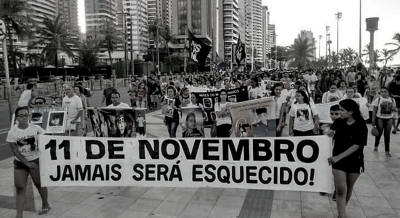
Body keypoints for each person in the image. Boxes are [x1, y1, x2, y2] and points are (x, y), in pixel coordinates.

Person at [6, 107, 50, 217]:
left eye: (26, 114)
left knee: (40, 184)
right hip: (21, 163)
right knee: (20, 188)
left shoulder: (36, 128)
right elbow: (15, 150)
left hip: (36, 161)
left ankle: (45, 204)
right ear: (16, 118)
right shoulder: (12, 133)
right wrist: (27, 163)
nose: (25, 117)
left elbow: (47, 140)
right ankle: (19, 215)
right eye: (21, 115)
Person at [327, 99, 368, 218]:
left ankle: (342, 211)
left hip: (355, 160)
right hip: (337, 160)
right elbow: (331, 131)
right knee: (341, 189)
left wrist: (339, 157)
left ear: (350, 112)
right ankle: (342, 215)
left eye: (342, 110)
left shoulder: (361, 126)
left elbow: (357, 145)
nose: (340, 112)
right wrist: (329, 133)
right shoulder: (339, 122)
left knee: (349, 188)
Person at [372, 87, 397, 157]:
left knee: (387, 134)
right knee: (379, 133)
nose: (383, 93)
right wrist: (373, 119)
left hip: (389, 118)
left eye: (385, 91)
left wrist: (393, 108)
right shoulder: (378, 99)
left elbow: (395, 108)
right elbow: (374, 110)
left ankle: (387, 151)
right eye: (382, 92)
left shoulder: (392, 100)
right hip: (380, 118)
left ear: (388, 92)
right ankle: (376, 145)